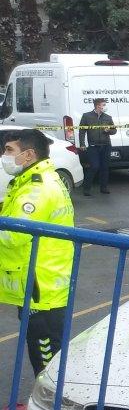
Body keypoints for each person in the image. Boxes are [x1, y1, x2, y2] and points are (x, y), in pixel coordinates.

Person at [0, 129, 75, 374]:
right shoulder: (29, 181)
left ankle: (49, 407)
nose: (5, 155)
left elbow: (13, 234)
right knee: (40, 345)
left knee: (46, 356)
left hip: (42, 285)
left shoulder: (38, 189)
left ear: (29, 154)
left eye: (9, 150)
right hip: (36, 281)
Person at [78, 98, 117, 196]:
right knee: (94, 167)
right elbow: (82, 131)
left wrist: (109, 130)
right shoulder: (87, 116)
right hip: (93, 146)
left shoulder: (108, 117)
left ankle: (103, 187)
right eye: (103, 105)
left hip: (106, 145)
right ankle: (86, 188)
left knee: (105, 167)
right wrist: (82, 143)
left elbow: (114, 130)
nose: (105, 106)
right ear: (98, 106)